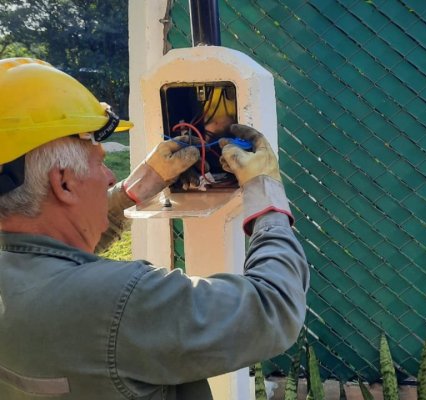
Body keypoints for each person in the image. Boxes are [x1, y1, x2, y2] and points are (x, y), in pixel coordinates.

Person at [0, 58, 309, 399]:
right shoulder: (120, 302)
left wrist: (133, 190)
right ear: (64, 183)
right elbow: (273, 309)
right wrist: (266, 198)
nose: (110, 177)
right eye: (100, 162)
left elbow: (49, 254)